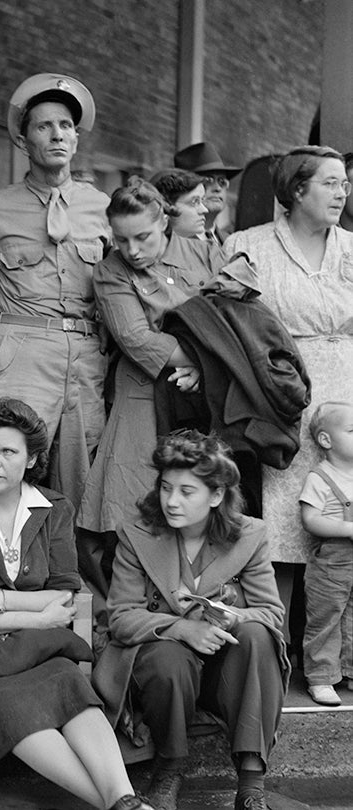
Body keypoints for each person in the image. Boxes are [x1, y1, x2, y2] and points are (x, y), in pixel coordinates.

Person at [0, 398, 153, 810]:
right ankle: (118, 807)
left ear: (31, 460)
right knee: (12, 707)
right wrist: (42, 616)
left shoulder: (54, 509)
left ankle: (124, 800)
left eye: (8, 452)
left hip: (32, 645)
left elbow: (65, 591)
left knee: (70, 685)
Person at [94, 430, 288, 810]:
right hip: (159, 670)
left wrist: (230, 618)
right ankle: (170, 768)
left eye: (186, 492)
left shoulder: (250, 536)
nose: (171, 501)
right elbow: (120, 617)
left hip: (222, 669)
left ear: (216, 495)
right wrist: (182, 628)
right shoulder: (138, 536)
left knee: (258, 636)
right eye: (166, 488)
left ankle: (251, 781)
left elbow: (271, 612)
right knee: (171, 658)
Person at [79, 178, 223, 622]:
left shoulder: (203, 252)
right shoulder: (110, 272)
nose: (133, 249)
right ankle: (126, 615)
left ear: (165, 220)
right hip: (142, 393)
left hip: (207, 398)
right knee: (132, 501)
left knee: (198, 494)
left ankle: (199, 610)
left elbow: (235, 317)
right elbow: (137, 340)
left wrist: (204, 367)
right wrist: (209, 358)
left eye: (143, 236)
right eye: (121, 239)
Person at [224, 146, 353, 641]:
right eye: (329, 182)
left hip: (346, 400)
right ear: (297, 190)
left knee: (343, 513)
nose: (342, 192)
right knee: (283, 518)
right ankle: (274, 646)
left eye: (344, 183)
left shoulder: (351, 247)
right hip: (284, 394)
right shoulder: (250, 245)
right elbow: (223, 318)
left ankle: (336, 656)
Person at [0, 73, 109, 508]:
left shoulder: (102, 208)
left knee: (81, 483)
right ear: (22, 139)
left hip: (86, 357)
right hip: (21, 350)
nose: (56, 135)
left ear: (76, 138)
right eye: (43, 126)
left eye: (66, 126)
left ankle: (65, 576)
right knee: (6, 471)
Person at [300, 401, 353, 706]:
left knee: (351, 618)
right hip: (332, 563)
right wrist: (347, 529)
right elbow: (310, 520)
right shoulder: (319, 477)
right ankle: (321, 677)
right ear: (326, 440)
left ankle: (348, 671)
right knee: (326, 619)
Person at [174, 141, 241, 244]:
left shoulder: (231, 241)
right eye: (208, 180)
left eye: (222, 182)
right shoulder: (176, 241)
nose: (218, 188)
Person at [151, 168, 209, 240]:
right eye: (194, 202)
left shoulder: (204, 249)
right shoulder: (141, 249)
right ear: (166, 207)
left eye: (202, 200)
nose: (205, 210)